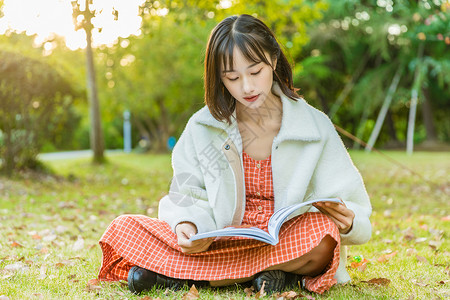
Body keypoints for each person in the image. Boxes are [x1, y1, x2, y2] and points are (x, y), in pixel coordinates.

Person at [98, 14, 372, 295]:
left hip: (285, 240)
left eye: (255, 72)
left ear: (273, 61)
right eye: (232, 77)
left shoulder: (313, 126)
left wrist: (350, 220)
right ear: (220, 78)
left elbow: (349, 201)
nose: (247, 87)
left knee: (322, 234)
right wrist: (187, 224)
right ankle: (267, 273)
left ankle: (181, 276)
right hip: (221, 239)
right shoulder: (204, 127)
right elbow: (186, 192)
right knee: (124, 227)